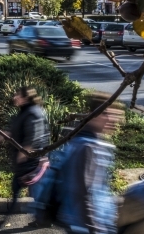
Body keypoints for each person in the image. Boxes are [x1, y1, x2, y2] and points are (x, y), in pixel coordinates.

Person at [56, 92, 123, 234]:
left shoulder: (85, 140)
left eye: (114, 114)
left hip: (86, 221)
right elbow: (82, 191)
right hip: (86, 224)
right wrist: (93, 226)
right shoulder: (87, 147)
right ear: (92, 115)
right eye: (105, 113)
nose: (112, 119)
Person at [0, 87, 49, 227]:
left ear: (26, 98)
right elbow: (12, 131)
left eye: (17, 95)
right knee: (24, 190)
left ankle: (44, 219)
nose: (14, 97)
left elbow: (35, 137)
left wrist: (23, 154)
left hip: (33, 162)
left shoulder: (33, 113)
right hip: (26, 162)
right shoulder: (24, 112)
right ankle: (6, 221)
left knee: (32, 192)